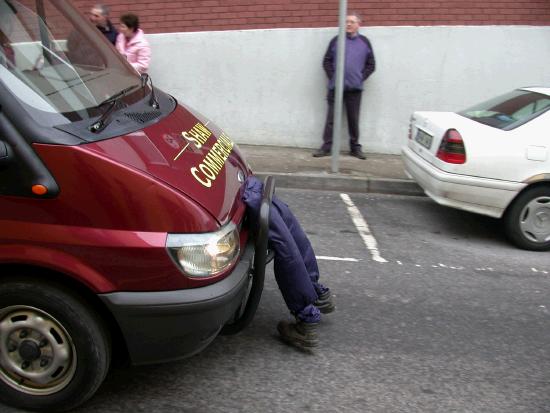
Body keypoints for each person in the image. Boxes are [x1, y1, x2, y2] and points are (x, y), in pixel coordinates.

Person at [242, 176, 335, 352]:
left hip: (240, 188)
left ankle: (305, 320)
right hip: (242, 181)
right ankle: (315, 292)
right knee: (284, 227)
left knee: (283, 243)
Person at [313, 12, 375, 160]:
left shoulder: (364, 42)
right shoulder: (336, 40)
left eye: (352, 22)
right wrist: (333, 77)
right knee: (331, 119)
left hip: (354, 89)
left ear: (358, 25)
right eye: (346, 22)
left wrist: (360, 78)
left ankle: (355, 148)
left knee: (353, 120)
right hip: (336, 89)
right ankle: (327, 147)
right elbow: (326, 61)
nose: (348, 24)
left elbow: (371, 65)